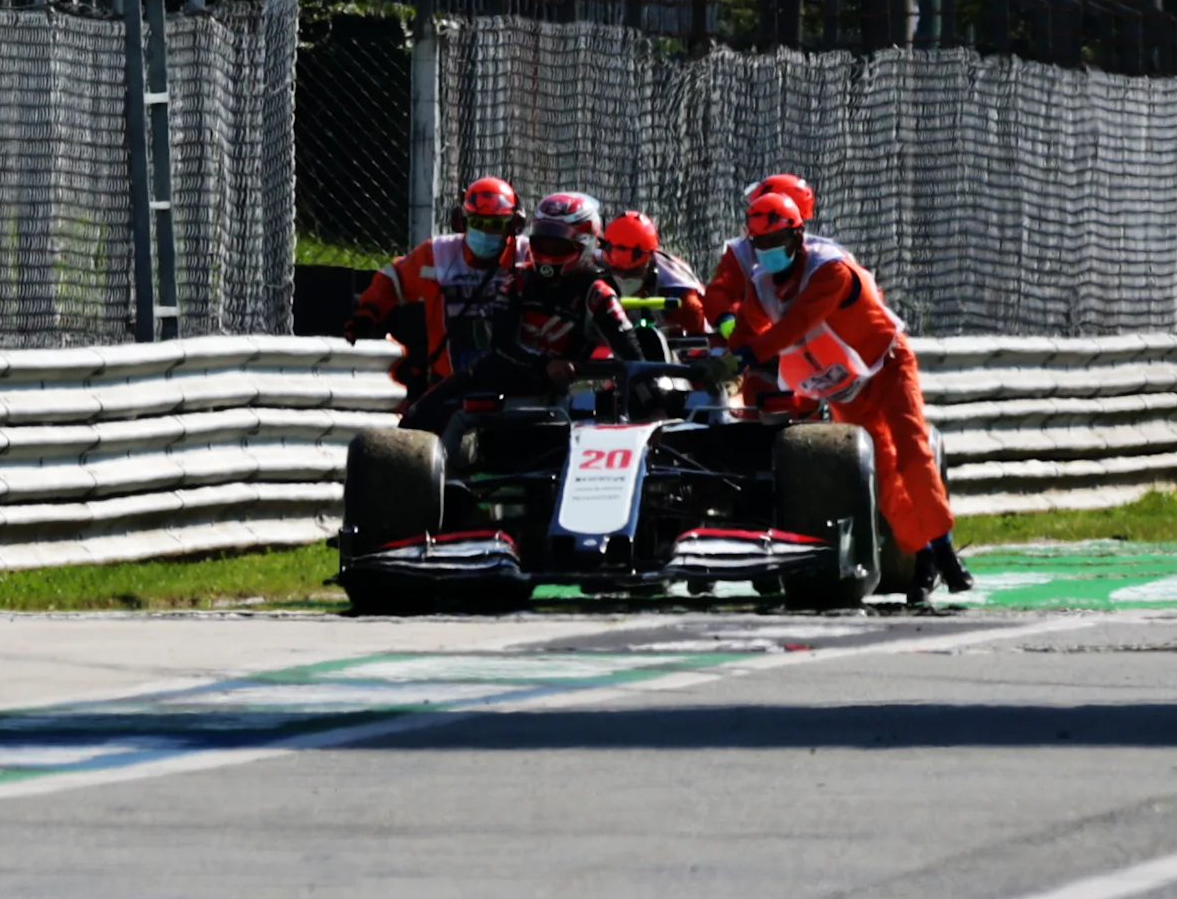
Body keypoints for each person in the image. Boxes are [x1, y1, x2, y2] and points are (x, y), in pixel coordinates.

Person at [704, 183, 971, 600]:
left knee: (912, 451)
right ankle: (921, 555)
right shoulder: (761, 285)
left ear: (797, 235)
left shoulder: (830, 270)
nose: (767, 250)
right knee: (882, 474)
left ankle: (945, 552)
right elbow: (746, 330)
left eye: (776, 240)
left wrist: (742, 357)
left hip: (887, 367)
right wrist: (724, 354)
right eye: (760, 243)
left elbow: (794, 327)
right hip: (845, 389)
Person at [399, 192, 632, 433]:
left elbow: (631, 354)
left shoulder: (598, 293)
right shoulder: (517, 280)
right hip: (506, 377)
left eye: (557, 245)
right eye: (542, 242)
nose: (548, 252)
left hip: (569, 392)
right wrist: (545, 365)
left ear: (585, 242)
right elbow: (500, 345)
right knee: (417, 417)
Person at [342, 174, 524, 411]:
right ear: (462, 221)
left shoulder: (526, 255)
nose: (486, 232)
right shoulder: (437, 253)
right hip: (447, 386)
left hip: (514, 389)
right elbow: (392, 279)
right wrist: (368, 311)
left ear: (513, 225)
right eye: (478, 223)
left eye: (496, 225)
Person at [599, 209, 709, 342]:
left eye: (633, 272)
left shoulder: (679, 290)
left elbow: (701, 341)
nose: (622, 278)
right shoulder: (596, 263)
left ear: (650, 257)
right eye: (615, 270)